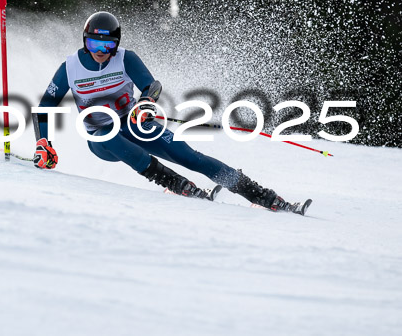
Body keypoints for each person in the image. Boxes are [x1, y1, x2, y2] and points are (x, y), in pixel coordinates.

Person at [31, 11, 311, 214]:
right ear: (85, 42)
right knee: (108, 136)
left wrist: (145, 104)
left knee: (190, 157)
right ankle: (177, 184)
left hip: (135, 123)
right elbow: (45, 105)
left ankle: (263, 196)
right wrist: (43, 142)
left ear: (116, 44)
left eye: (108, 45)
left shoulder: (125, 58)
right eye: (94, 44)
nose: (101, 51)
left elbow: (152, 86)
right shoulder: (70, 67)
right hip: (101, 137)